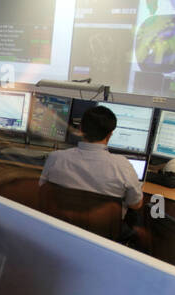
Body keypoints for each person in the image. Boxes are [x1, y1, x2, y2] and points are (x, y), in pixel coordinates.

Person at [39, 104, 144, 242]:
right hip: (103, 239)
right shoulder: (122, 166)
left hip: (61, 234)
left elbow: (42, 191)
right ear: (110, 134)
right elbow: (135, 204)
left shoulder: (55, 158)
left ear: (80, 129)